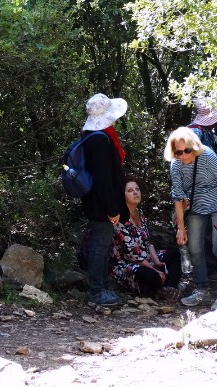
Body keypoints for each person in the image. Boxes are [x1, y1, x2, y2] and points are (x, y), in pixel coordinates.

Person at [168, 126, 217, 310]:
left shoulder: (209, 157)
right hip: (195, 208)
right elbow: (178, 197)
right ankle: (202, 289)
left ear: (194, 146)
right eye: (178, 152)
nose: (184, 156)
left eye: (187, 150)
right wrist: (181, 228)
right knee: (195, 249)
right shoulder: (176, 164)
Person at [80, 93, 130, 308]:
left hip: (94, 201)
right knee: (100, 245)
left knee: (102, 243)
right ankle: (97, 291)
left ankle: (101, 288)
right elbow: (103, 178)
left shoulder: (91, 136)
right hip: (101, 204)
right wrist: (112, 208)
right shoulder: (100, 140)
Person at [111, 177, 182, 298]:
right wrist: (154, 270)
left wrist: (157, 262)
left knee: (175, 254)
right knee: (149, 275)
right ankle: (158, 288)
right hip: (128, 264)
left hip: (146, 258)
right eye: (130, 190)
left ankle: (168, 287)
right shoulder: (119, 219)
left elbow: (148, 242)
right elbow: (132, 255)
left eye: (137, 189)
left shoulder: (140, 213)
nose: (135, 192)